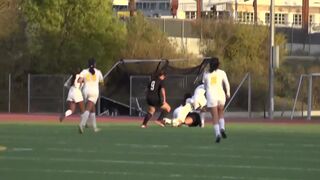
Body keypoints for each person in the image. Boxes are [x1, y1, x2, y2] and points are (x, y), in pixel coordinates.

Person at [202, 57, 230, 143]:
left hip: (211, 95)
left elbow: (205, 85)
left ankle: (217, 134)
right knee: (221, 112)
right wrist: (228, 93)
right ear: (218, 64)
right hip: (221, 95)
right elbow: (227, 83)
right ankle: (222, 128)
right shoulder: (222, 73)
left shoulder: (206, 74)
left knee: (215, 116)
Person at [78, 58, 104, 133]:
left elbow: (79, 80)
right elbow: (102, 83)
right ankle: (82, 124)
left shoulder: (84, 71)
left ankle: (95, 128)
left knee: (92, 109)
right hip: (94, 92)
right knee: (88, 109)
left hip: (85, 91)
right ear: (95, 64)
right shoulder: (98, 72)